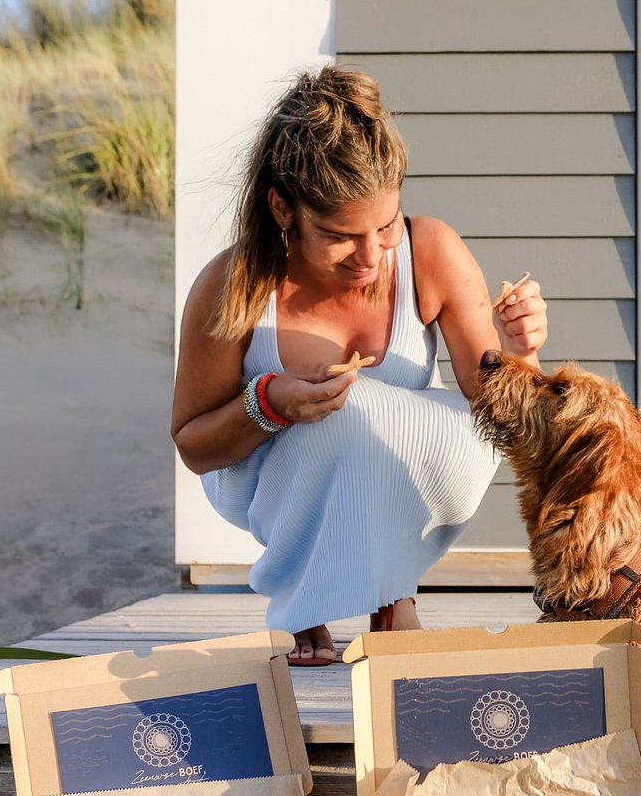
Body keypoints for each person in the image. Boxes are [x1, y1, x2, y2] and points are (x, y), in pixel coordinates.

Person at [171, 65, 547, 665]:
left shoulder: (431, 251)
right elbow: (194, 446)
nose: (370, 256)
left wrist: (521, 351)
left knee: (390, 414)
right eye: (341, 235)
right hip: (272, 481)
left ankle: (393, 595)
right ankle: (306, 603)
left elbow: (506, 413)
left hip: (403, 474)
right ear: (283, 208)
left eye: (386, 224)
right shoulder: (232, 285)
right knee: (344, 415)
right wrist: (271, 402)